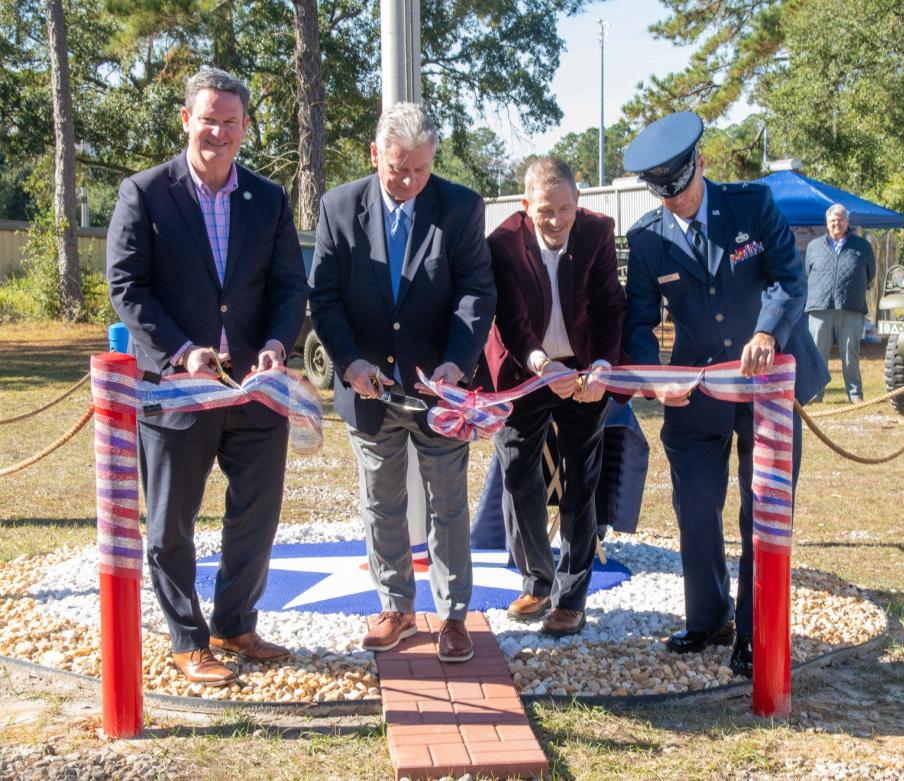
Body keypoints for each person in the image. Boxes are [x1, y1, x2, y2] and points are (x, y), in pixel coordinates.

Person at [107, 67, 308, 686]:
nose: (217, 131)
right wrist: (180, 351)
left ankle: (235, 622)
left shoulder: (269, 199)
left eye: (230, 120)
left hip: (253, 388)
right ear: (186, 120)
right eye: (207, 118)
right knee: (170, 521)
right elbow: (127, 287)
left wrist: (277, 343)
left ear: (245, 128)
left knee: (257, 513)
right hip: (177, 387)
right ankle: (188, 640)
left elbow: (287, 285)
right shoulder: (144, 193)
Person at [620, 112, 828, 677]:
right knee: (694, 507)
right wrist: (654, 377)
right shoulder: (645, 240)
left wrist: (767, 330)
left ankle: (758, 630)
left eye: (682, 187)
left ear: (702, 166)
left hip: (767, 381)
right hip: (697, 389)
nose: (676, 201)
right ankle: (708, 617)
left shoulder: (752, 206)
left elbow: (789, 278)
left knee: (761, 510)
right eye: (663, 194)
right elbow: (639, 321)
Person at [308, 102, 495, 661]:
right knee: (381, 503)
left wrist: (457, 364)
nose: (409, 181)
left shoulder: (461, 207)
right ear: (375, 155)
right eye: (397, 169)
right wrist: (349, 362)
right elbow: (325, 297)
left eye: (420, 170)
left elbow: (476, 293)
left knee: (447, 504)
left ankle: (454, 615)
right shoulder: (338, 206)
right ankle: (397, 608)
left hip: (440, 390)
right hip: (369, 390)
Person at [479, 156, 626, 637]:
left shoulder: (598, 233)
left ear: (578, 202)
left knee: (580, 480)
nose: (556, 220)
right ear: (526, 206)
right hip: (526, 372)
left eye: (565, 208)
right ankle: (536, 580)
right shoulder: (502, 243)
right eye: (545, 210)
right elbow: (512, 320)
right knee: (519, 473)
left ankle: (570, 596)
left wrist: (602, 366)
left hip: (585, 373)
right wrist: (542, 366)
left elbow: (608, 305)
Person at [804, 204, 873, 402]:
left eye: (840, 219)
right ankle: (815, 394)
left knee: (851, 354)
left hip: (851, 306)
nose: (837, 223)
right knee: (817, 354)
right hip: (819, 307)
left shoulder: (862, 246)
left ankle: (855, 394)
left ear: (847, 222)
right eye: (833, 220)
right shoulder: (813, 246)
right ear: (827, 223)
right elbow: (807, 273)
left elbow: (870, 273)